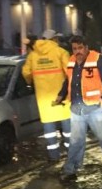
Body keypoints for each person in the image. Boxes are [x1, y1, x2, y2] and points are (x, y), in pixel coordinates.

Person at [54, 35, 102, 182]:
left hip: (95, 107)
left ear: (86, 47)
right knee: (76, 140)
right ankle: (71, 169)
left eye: (80, 48)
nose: (77, 51)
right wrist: (61, 95)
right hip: (77, 108)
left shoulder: (98, 60)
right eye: (74, 49)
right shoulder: (71, 61)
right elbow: (68, 81)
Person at [22, 29, 71, 161]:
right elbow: (70, 72)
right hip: (61, 94)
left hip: (43, 95)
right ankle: (70, 151)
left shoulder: (33, 55)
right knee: (66, 120)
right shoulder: (60, 52)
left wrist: (31, 82)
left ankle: (53, 155)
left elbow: (26, 72)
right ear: (54, 39)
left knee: (48, 123)